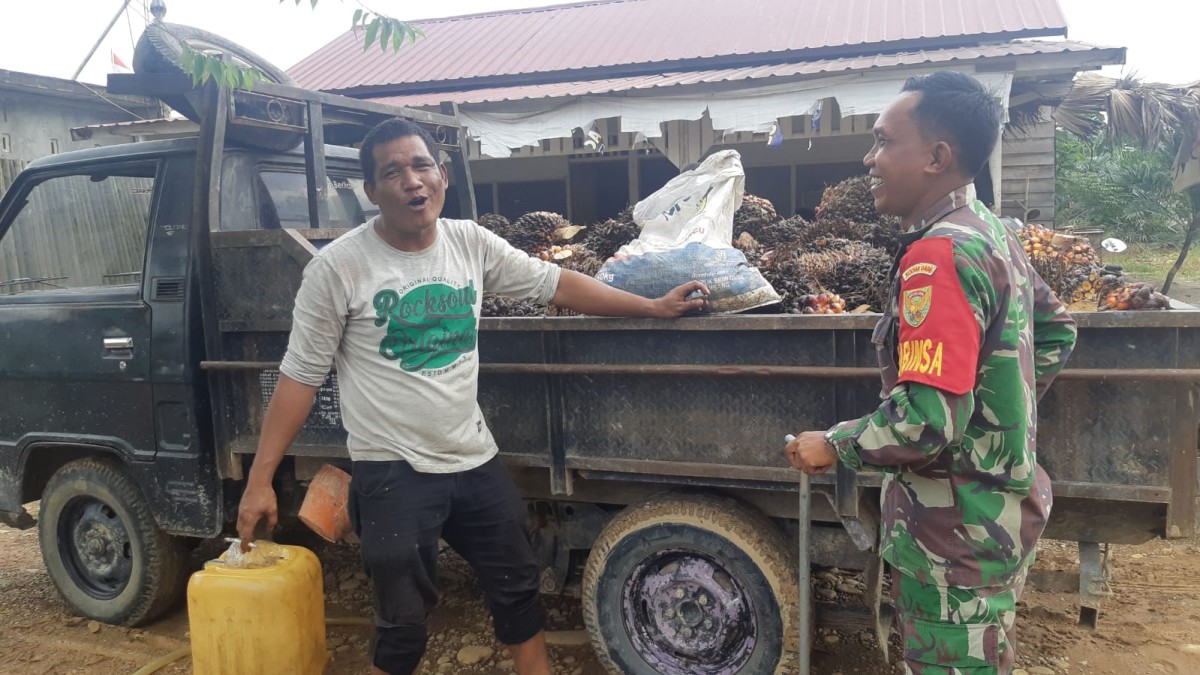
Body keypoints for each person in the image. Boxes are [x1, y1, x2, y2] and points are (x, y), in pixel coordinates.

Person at [236, 117, 708, 675]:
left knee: (517, 582)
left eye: (422, 166)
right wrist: (260, 479)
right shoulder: (337, 268)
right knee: (403, 616)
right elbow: (300, 377)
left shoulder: (469, 242)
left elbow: (554, 284)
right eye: (393, 172)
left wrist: (650, 305)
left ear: (442, 176)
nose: (412, 181)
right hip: (393, 468)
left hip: (473, 457)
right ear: (371, 192)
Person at [785, 72, 1077, 674]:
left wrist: (832, 446)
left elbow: (924, 422)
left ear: (937, 157)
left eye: (885, 141)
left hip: (951, 537)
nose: (869, 159)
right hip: (990, 517)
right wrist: (995, 422)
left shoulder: (939, 256)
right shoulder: (990, 230)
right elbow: (1055, 329)